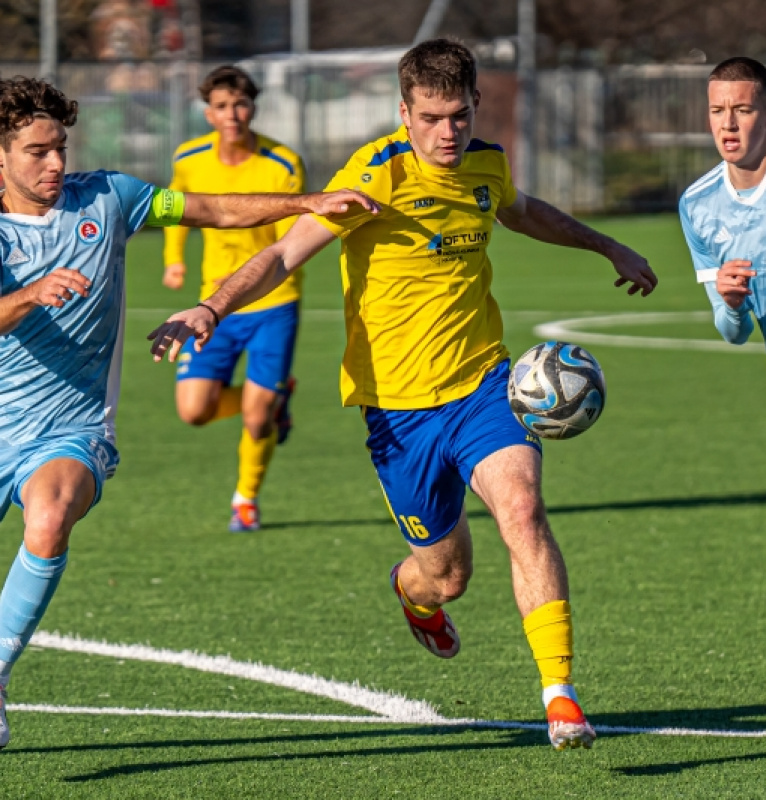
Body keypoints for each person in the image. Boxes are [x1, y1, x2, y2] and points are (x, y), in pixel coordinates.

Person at [149, 39, 657, 750]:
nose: (446, 132)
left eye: (458, 115)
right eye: (430, 118)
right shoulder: (373, 177)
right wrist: (212, 306)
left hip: (483, 385)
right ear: (404, 112)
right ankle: (411, 592)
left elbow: (522, 210)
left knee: (523, 508)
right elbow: (282, 254)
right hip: (398, 411)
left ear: (476, 104)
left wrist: (607, 246)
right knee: (445, 578)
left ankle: (561, 696)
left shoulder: (486, 163)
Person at [0, 74, 377, 749]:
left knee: (51, 517)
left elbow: (214, 209)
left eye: (60, 147)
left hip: (69, 429)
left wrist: (307, 201)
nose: (56, 163)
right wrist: (30, 295)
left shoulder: (110, 197)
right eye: (37, 152)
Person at [163, 65, 306, 533]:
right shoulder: (189, 158)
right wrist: (174, 259)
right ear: (208, 112)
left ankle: (245, 500)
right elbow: (176, 208)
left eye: (241, 104)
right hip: (213, 304)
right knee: (193, 410)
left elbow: (292, 240)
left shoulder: (282, 163)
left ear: (253, 108)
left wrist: (248, 277)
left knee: (256, 419)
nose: (233, 115)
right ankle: (272, 398)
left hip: (273, 301)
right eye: (222, 106)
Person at [679, 58, 766, 504]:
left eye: (742, 110)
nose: (727, 124)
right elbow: (733, 333)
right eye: (717, 111)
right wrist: (730, 303)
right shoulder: (698, 205)